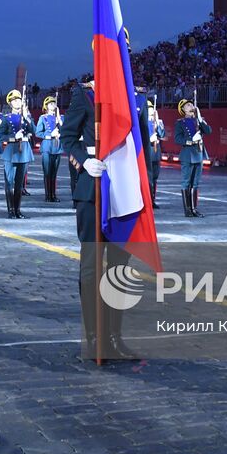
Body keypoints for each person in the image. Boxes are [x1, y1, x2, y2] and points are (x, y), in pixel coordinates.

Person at [60, 79, 138, 362]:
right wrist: (83, 158)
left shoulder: (131, 94)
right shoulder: (85, 94)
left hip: (124, 193)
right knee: (92, 266)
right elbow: (67, 137)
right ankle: (94, 339)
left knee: (119, 268)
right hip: (93, 187)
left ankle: (115, 337)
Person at [0, 89, 35, 219]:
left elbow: (34, 130)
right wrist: (14, 137)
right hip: (12, 151)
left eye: (19, 99)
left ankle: (18, 210)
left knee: (19, 183)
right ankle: (11, 210)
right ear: (10, 104)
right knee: (9, 182)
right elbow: (0, 136)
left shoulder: (26, 117)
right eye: (14, 100)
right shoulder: (7, 118)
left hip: (24, 151)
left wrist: (27, 117)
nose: (17, 102)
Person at [173, 99, 211, 217]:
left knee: (196, 183)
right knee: (186, 182)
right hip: (188, 155)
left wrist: (199, 118)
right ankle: (188, 210)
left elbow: (209, 131)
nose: (191, 106)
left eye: (191, 104)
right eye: (187, 105)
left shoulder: (199, 121)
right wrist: (190, 141)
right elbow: (177, 139)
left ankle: (194, 209)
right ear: (183, 110)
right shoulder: (180, 123)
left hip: (198, 154)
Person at [36, 96, 65, 202]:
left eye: (54, 103)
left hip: (57, 147)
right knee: (47, 172)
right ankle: (48, 195)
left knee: (54, 173)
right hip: (47, 147)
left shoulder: (61, 117)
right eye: (50, 103)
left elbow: (64, 129)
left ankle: (54, 195)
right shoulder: (43, 118)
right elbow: (38, 132)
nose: (53, 105)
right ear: (46, 106)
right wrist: (50, 135)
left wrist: (59, 119)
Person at [145, 98, 165, 209]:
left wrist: (158, 123)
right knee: (148, 178)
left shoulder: (156, 122)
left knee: (155, 178)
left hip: (156, 154)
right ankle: (147, 200)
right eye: (149, 109)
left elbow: (162, 134)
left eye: (152, 109)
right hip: (148, 152)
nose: (151, 111)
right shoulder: (142, 122)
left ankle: (152, 200)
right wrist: (149, 139)